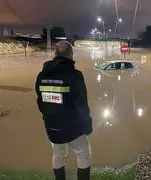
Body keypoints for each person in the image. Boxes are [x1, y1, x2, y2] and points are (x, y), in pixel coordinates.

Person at [35, 41, 92, 180]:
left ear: (55, 54)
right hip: (73, 127)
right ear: (71, 55)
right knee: (83, 153)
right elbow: (82, 104)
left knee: (58, 154)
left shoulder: (42, 75)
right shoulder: (76, 75)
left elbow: (40, 101)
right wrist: (87, 125)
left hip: (52, 127)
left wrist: (49, 118)